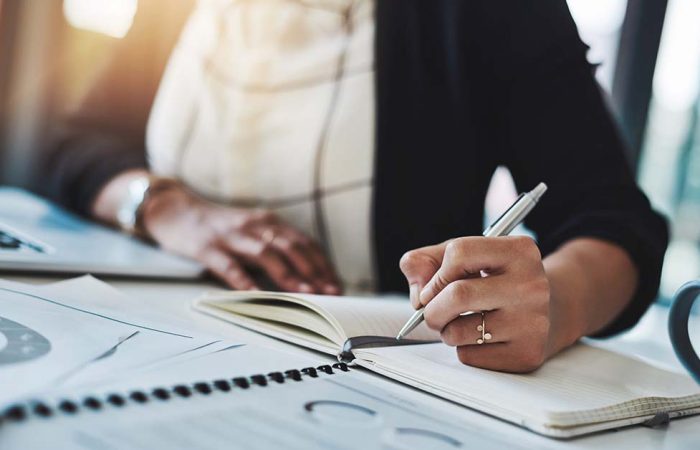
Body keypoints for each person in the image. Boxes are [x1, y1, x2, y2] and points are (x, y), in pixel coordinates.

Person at [45, 0, 668, 373]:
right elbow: (74, 143)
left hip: (358, 378)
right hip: (130, 343)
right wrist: (171, 209)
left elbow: (617, 225)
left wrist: (554, 304)